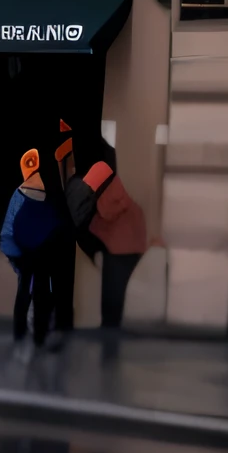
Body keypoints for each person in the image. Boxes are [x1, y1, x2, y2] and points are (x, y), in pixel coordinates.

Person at [79, 140, 151, 331]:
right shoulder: (116, 179)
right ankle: (110, 332)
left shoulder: (109, 182)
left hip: (121, 246)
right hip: (129, 244)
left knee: (112, 296)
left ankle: (109, 336)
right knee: (114, 297)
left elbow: (106, 211)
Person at [0, 149, 63, 348]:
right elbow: (55, 226)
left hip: (22, 251)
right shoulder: (51, 196)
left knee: (24, 289)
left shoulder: (19, 193)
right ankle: (39, 336)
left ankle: (20, 333)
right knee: (41, 290)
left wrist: (12, 252)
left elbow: (8, 228)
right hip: (42, 252)